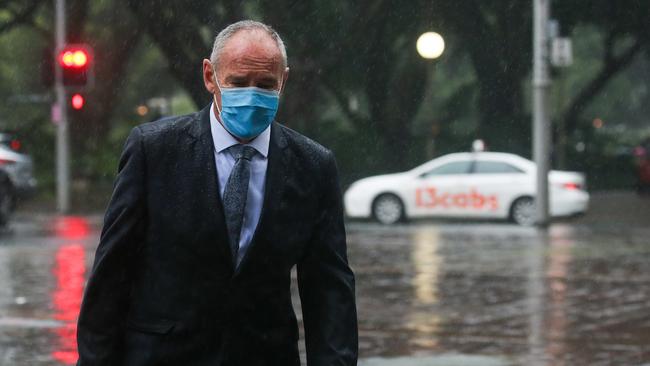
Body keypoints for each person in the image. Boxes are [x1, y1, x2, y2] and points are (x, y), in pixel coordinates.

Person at [76, 20, 358, 366]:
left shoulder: (313, 166)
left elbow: (329, 288)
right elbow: (112, 274)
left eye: (266, 84)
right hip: (163, 355)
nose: (252, 95)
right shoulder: (155, 151)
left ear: (283, 80)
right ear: (210, 77)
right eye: (239, 83)